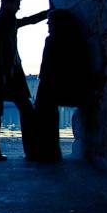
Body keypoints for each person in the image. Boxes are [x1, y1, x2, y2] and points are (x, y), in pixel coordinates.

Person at [0, 0, 49, 160]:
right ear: (8, 3)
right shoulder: (2, 20)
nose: (19, 7)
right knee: (24, 109)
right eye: (17, 4)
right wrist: (0, 72)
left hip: (7, 72)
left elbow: (28, 20)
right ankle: (30, 150)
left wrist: (47, 13)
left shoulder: (5, 19)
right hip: (7, 73)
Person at [32, 9, 89, 161]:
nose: (48, 24)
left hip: (49, 84)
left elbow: (47, 65)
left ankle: (45, 152)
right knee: (50, 116)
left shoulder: (51, 40)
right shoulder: (75, 39)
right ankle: (52, 153)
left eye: (50, 22)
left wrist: (42, 80)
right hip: (67, 84)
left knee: (44, 116)